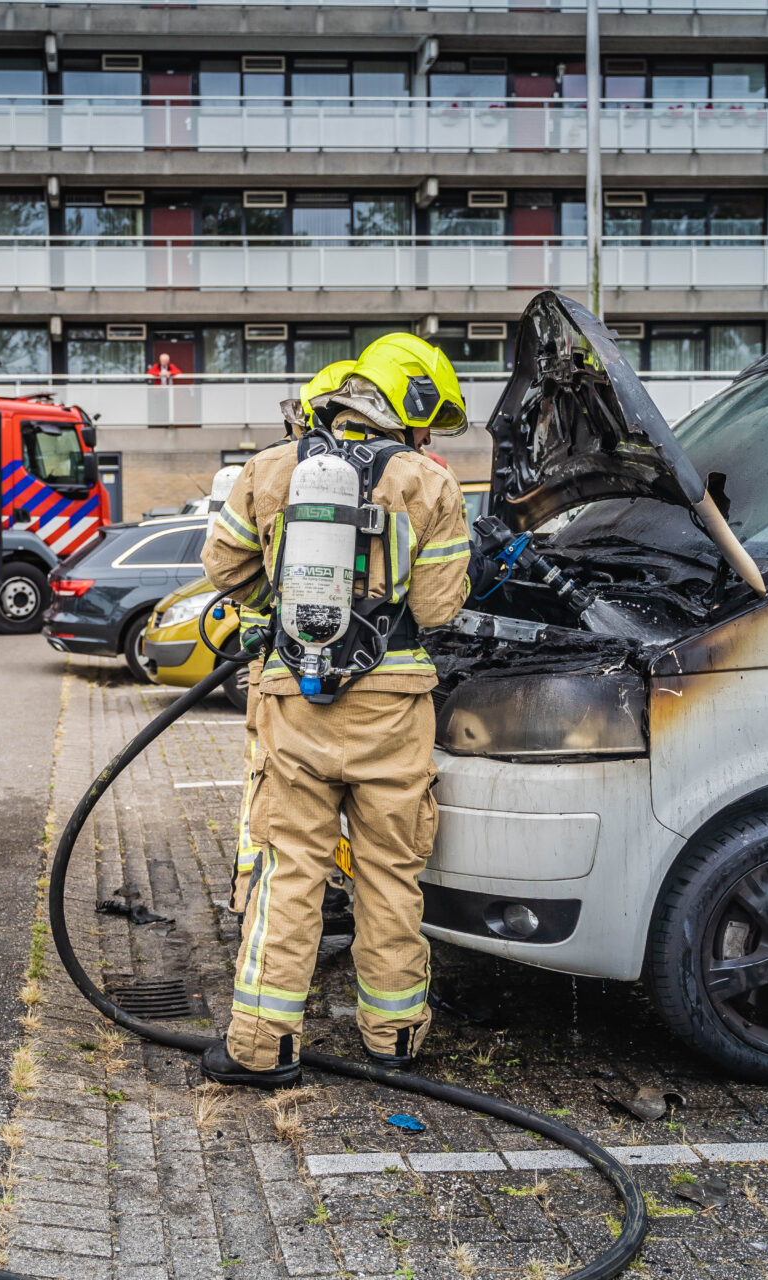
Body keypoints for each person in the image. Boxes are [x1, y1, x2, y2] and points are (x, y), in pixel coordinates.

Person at [199, 333, 473, 1087]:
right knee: (390, 875)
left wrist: (285, 611)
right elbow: (438, 605)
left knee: (290, 870)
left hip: (296, 703)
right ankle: (394, 1039)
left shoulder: (273, 467)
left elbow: (222, 565)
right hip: (393, 711)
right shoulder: (429, 481)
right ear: (409, 411)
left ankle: (261, 1047)